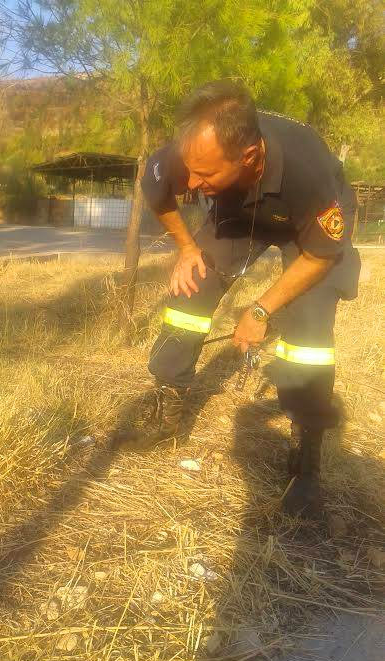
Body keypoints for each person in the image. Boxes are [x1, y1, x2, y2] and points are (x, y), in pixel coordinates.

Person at [126, 79, 360, 520]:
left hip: (306, 227)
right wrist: (187, 249)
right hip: (241, 211)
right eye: (190, 170)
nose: (192, 183)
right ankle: (168, 407)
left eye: (205, 175)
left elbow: (320, 257)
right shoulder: (196, 148)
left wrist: (261, 310)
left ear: (249, 156)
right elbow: (155, 188)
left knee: (309, 335)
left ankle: (306, 458)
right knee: (190, 288)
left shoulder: (310, 172)